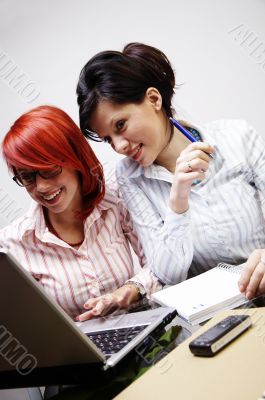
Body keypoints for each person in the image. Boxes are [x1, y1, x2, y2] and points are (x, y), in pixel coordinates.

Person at [76, 42, 265, 301]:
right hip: (217, 318)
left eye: (120, 125)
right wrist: (177, 202)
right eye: (108, 139)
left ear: (154, 99)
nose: (119, 146)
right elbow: (168, 274)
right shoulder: (130, 178)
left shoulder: (236, 136)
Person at [0, 105, 161, 321]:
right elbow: (26, 324)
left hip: (141, 332)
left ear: (75, 157)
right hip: (76, 353)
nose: (41, 187)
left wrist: (131, 290)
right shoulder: (14, 243)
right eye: (27, 177)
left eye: (48, 170)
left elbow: (160, 265)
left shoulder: (115, 200)